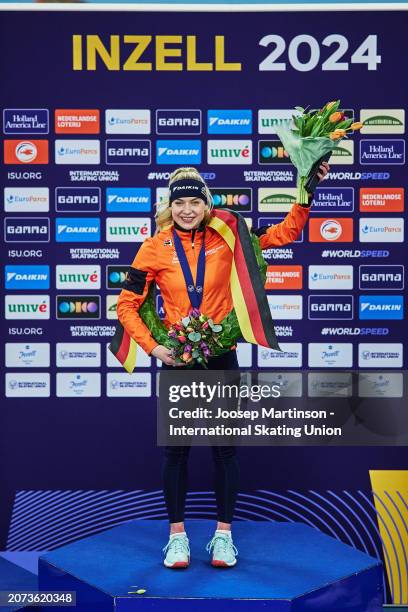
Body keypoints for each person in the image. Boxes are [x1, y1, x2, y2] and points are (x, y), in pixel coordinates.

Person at [116, 163, 329, 569]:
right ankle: (177, 539)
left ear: (207, 204)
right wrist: (154, 348)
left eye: (195, 201)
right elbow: (126, 306)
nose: (187, 209)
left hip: (221, 356)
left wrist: (306, 192)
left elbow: (283, 234)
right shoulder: (153, 247)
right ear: (169, 206)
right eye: (179, 202)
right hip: (177, 360)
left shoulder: (230, 239)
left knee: (223, 450)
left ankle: (223, 537)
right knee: (175, 453)